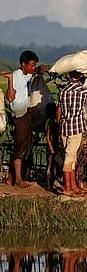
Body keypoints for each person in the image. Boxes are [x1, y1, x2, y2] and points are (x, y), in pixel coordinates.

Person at [2, 50, 44, 188]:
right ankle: (18, 179)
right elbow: (10, 98)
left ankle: (11, 177)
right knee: (20, 146)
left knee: (24, 145)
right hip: (19, 115)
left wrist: (40, 69)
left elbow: (36, 72)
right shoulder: (16, 76)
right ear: (23, 64)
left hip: (25, 113)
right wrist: (10, 80)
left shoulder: (26, 76)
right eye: (31, 65)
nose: (33, 68)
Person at [57, 70, 87, 196]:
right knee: (70, 156)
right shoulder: (83, 91)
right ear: (80, 76)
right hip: (76, 126)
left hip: (64, 126)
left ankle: (72, 185)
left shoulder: (63, 91)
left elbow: (59, 110)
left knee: (71, 156)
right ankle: (67, 187)